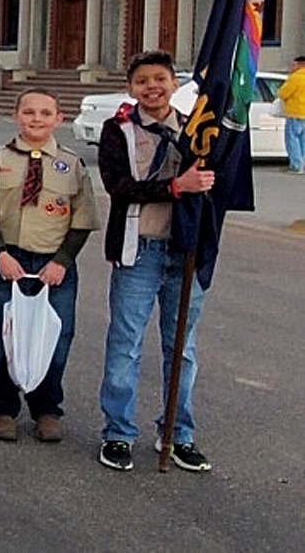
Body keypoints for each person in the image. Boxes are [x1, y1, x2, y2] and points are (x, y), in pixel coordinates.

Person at [94, 50, 217, 472]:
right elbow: (119, 186)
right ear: (131, 88)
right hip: (140, 247)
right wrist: (176, 187)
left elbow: (216, 183)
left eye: (160, 79)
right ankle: (118, 433)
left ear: (174, 84)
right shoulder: (119, 131)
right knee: (125, 344)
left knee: (182, 349)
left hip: (185, 252)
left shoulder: (196, 128)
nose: (152, 87)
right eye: (142, 80)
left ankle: (178, 433)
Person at [0, 89, 98, 445]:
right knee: (6, 336)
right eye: (29, 112)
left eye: (45, 113)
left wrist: (62, 262)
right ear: (16, 116)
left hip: (54, 265)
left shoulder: (72, 165)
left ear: (59, 119)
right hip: (10, 259)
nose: (36, 119)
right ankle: (1, 407)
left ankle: (46, 408)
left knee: (55, 337)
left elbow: (82, 219)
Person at [279, 54, 305, 174]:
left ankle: (296, 165)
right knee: (303, 141)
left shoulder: (295, 78)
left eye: (294, 64)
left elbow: (283, 93)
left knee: (292, 140)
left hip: (295, 112)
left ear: (300, 65)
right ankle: (303, 165)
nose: (292, 66)